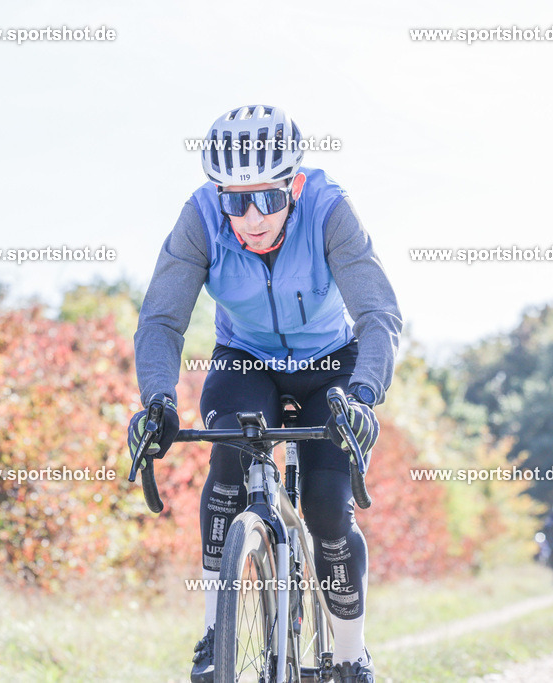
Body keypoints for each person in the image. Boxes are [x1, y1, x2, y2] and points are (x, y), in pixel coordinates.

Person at [127, 105, 402, 683]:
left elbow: (377, 313)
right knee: (228, 454)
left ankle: (351, 655)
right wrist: (159, 399)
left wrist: (364, 395)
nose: (250, 217)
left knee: (328, 511)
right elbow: (161, 321)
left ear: (294, 185)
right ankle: (213, 635)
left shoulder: (330, 210)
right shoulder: (200, 219)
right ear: (217, 192)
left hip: (332, 364)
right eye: (235, 199)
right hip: (246, 360)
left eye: (268, 200)